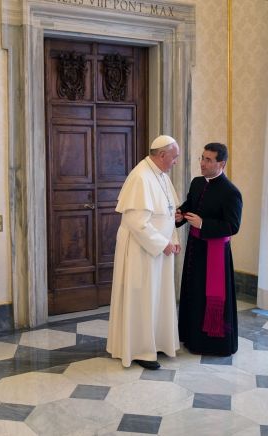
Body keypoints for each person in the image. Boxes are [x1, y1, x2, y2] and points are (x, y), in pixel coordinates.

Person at [106, 135, 182, 370]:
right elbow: (136, 222)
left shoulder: (160, 175)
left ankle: (156, 342)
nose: (175, 162)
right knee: (142, 298)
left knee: (157, 297)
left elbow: (169, 213)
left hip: (158, 250)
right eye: (174, 157)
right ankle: (140, 349)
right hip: (141, 251)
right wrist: (162, 243)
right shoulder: (141, 176)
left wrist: (173, 238)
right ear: (162, 155)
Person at [175, 142, 242, 356]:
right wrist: (180, 214)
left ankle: (212, 343)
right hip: (195, 249)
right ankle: (191, 337)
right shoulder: (196, 182)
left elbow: (232, 226)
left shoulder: (231, 192)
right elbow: (190, 205)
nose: (202, 163)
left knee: (207, 296)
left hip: (215, 255)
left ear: (221, 163)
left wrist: (203, 224)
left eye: (208, 160)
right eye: (202, 158)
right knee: (193, 293)